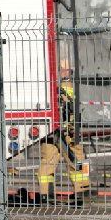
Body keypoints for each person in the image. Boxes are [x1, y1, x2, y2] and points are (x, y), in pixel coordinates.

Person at [38, 55, 90, 203]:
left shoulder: (47, 87)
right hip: (69, 133)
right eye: (65, 70)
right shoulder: (71, 87)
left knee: (47, 162)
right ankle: (82, 191)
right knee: (78, 160)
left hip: (50, 132)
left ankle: (45, 195)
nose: (67, 73)